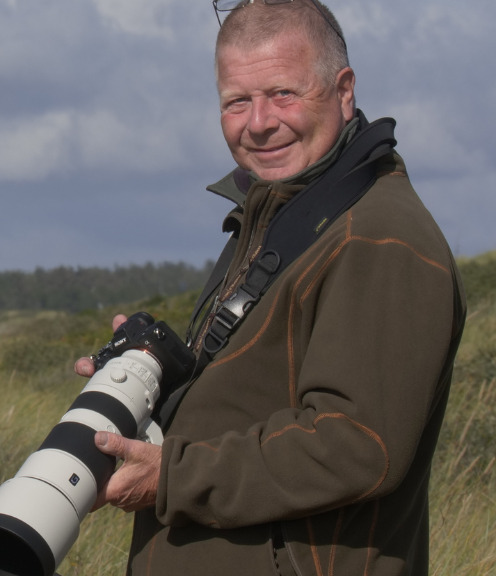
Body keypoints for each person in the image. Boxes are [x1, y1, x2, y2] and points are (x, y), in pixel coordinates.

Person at [74, 1, 466, 575]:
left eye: (283, 93)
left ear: (343, 90)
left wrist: (172, 476)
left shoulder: (377, 238)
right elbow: (253, 393)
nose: (258, 122)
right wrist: (145, 381)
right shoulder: (288, 210)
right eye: (237, 101)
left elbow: (354, 444)